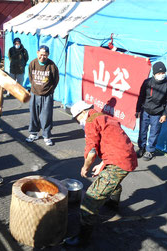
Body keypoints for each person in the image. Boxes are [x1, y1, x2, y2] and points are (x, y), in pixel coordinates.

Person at [64, 101, 138, 246]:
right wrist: (103, 163)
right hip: (126, 157)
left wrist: (85, 167)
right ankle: (113, 204)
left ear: (83, 112)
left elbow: (91, 153)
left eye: (76, 118)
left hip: (119, 163)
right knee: (109, 179)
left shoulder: (91, 122)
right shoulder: (105, 118)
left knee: (91, 198)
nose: (77, 121)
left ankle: (83, 238)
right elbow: (116, 143)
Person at [136, 61, 167, 161]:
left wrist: (165, 114)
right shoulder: (147, 82)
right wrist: (138, 110)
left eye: (163, 73)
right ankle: (141, 148)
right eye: (158, 73)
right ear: (154, 74)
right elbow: (141, 96)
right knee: (142, 131)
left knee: (154, 133)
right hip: (145, 111)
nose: (161, 75)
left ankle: (150, 151)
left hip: (158, 114)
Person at [26, 45, 59, 146]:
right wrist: (35, 87)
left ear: (48, 55)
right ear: (37, 53)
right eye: (41, 55)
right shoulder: (33, 63)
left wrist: (49, 90)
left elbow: (55, 79)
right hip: (34, 93)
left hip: (47, 94)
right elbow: (31, 77)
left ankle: (47, 135)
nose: (42, 57)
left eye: (45, 55)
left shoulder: (52, 66)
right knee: (33, 115)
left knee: (46, 116)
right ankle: (33, 133)